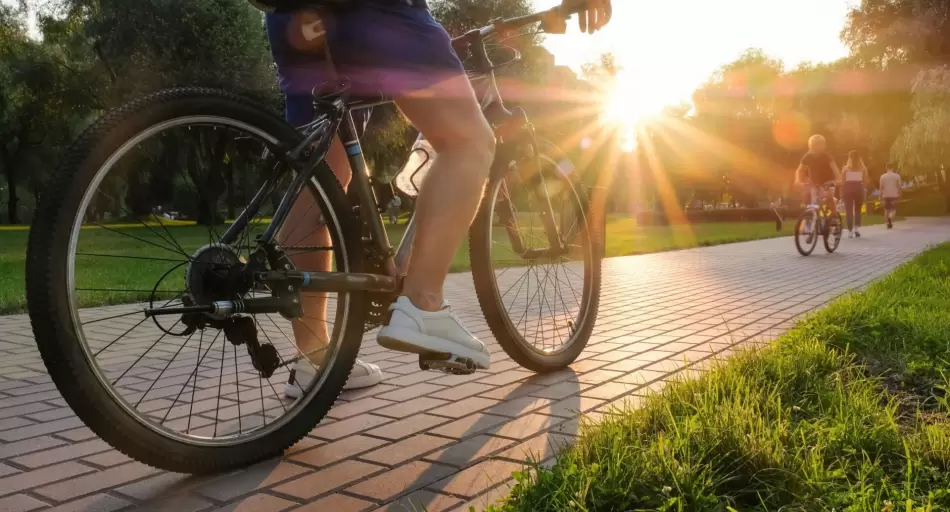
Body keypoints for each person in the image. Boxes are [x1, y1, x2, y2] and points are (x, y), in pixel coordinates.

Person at [263, 0, 612, 395]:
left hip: (292, 18)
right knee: (470, 142)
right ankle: (423, 304)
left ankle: (313, 358)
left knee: (319, 183)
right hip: (376, 11)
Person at [795, 134, 841, 236]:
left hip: (828, 182)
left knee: (828, 196)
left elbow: (835, 169)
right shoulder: (807, 157)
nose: (822, 146)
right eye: (819, 144)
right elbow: (799, 170)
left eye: (822, 144)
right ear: (812, 146)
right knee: (813, 203)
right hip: (815, 184)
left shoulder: (826, 156)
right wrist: (798, 180)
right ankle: (812, 224)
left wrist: (838, 180)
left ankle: (834, 218)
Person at [840, 150, 869, 238]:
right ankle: (857, 229)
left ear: (849, 158)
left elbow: (842, 181)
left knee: (848, 211)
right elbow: (865, 181)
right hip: (859, 189)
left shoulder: (846, 168)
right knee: (858, 210)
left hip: (848, 189)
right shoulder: (863, 168)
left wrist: (841, 192)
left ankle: (849, 231)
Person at [879, 163, 902, 229]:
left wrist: (880, 196)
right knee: (893, 209)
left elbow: (881, 187)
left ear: (886, 168)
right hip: (894, 195)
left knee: (886, 209)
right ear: (893, 168)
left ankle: (887, 223)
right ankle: (890, 217)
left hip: (885, 195)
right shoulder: (897, 176)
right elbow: (899, 187)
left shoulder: (882, 177)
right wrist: (900, 195)